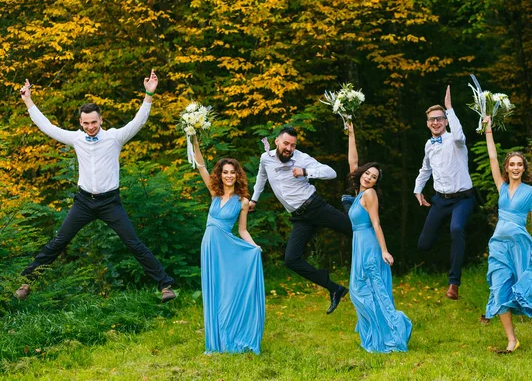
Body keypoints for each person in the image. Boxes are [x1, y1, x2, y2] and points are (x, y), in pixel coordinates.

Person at [14, 71, 176, 303]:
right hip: (84, 202)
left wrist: (149, 94)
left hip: (110, 202)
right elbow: (47, 126)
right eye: (86, 123)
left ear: (101, 120)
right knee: (59, 241)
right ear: (81, 122)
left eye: (94, 122)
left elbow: (139, 121)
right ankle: (27, 282)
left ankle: (165, 285)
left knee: (133, 242)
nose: (90, 126)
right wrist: (28, 100)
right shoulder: (76, 139)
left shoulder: (115, 138)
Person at [481, 116, 532, 353]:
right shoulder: (501, 186)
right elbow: (492, 157)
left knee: (525, 281)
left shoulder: (530, 192)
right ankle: (511, 340)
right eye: (512, 164)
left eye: (520, 164)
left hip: (521, 244)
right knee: (498, 288)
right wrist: (489, 130)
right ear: (507, 168)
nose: (515, 167)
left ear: (524, 168)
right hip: (499, 245)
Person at [249, 126, 352, 314]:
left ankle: (350, 209)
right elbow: (261, 178)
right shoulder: (266, 159)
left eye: (293, 145)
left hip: (315, 207)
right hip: (300, 218)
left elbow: (331, 172)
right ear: (277, 141)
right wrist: (254, 199)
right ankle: (335, 288)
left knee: (354, 229)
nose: (289, 148)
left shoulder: (301, 158)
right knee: (291, 260)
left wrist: (306, 172)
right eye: (286, 143)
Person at [192, 136, 265, 354]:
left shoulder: (243, 201)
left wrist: (255, 247)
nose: (229, 175)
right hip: (210, 247)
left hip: (227, 249)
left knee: (228, 292)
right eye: (225, 172)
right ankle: (215, 342)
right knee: (214, 291)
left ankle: (232, 334)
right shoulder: (214, 192)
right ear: (220, 175)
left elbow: (242, 230)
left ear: (237, 175)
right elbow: (200, 166)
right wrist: (194, 139)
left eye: (232, 172)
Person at [346, 123, 412, 352]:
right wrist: (352, 133)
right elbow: (352, 163)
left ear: (376, 183)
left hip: (370, 245)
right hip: (359, 244)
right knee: (359, 291)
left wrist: (384, 250)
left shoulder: (370, 194)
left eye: (373, 177)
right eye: (367, 174)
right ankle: (376, 332)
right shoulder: (359, 192)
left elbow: (376, 223)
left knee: (370, 290)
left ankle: (394, 329)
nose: (368, 178)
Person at [414, 86, 474, 300]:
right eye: (432, 119)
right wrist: (418, 190)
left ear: (446, 121)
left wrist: (450, 108)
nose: (436, 122)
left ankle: (453, 284)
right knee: (423, 244)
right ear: (428, 123)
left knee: (456, 228)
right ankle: (452, 245)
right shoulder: (429, 145)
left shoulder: (455, 140)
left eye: (440, 118)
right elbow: (425, 170)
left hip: (463, 198)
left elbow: (458, 135)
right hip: (440, 200)